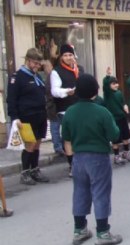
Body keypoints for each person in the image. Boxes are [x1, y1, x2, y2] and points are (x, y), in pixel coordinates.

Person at [62, 74, 122, 245]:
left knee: (80, 192)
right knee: (101, 192)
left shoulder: (70, 112)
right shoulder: (102, 112)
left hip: (78, 157)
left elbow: (66, 137)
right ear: (95, 92)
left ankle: (79, 229)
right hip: (98, 156)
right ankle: (103, 233)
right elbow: (114, 134)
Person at [7, 48, 50, 185]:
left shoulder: (36, 76)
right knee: (29, 144)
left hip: (40, 114)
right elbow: (12, 99)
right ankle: (25, 172)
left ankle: (35, 169)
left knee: (37, 143)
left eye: (39, 64)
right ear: (28, 60)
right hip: (26, 115)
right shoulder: (17, 76)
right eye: (35, 63)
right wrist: (14, 117)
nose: (37, 66)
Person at [51, 44, 84, 176]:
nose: (68, 57)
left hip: (80, 106)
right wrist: (67, 91)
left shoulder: (79, 70)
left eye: (70, 55)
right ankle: (72, 165)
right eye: (65, 55)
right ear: (61, 57)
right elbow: (54, 90)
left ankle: (80, 162)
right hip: (65, 108)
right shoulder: (56, 71)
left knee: (79, 136)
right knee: (68, 138)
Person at [103, 67, 130, 165]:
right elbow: (105, 85)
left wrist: (125, 106)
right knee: (115, 138)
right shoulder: (108, 94)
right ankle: (116, 155)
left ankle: (126, 152)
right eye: (113, 83)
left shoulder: (119, 93)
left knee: (126, 136)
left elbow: (122, 102)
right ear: (109, 86)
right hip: (113, 119)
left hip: (122, 117)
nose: (116, 85)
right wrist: (107, 75)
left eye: (116, 83)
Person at [43, 59, 64, 155]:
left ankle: (59, 146)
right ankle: (59, 147)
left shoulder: (51, 76)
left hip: (54, 106)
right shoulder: (53, 76)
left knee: (56, 127)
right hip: (54, 106)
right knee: (56, 127)